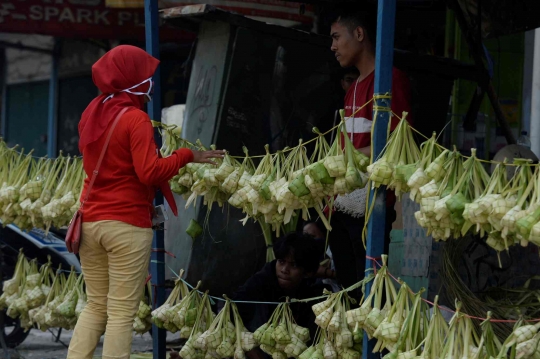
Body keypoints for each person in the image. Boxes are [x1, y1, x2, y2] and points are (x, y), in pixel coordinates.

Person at [67, 45, 224, 359]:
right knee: (122, 312)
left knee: (96, 305)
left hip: (91, 222)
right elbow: (149, 171)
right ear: (132, 78)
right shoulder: (135, 119)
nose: (151, 81)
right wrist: (186, 156)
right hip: (125, 225)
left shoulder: (92, 112)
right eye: (146, 75)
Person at [324, 10, 412, 292]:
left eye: (337, 37)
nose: (333, 46)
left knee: (370, 294)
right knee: (349, 291)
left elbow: (395, 144)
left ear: (359, 34)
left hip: (371, 209)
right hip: (343, 207)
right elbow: (344, 149)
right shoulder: (353, 88)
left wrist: (335, 167)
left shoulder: (389, 80)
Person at [234, 233, 330, 359]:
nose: (284, 269)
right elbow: (233, 315)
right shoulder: (260, 282)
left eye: (293, 265)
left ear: (307, 272)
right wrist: (253, 352)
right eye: (281, 261)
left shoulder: (314, 293)